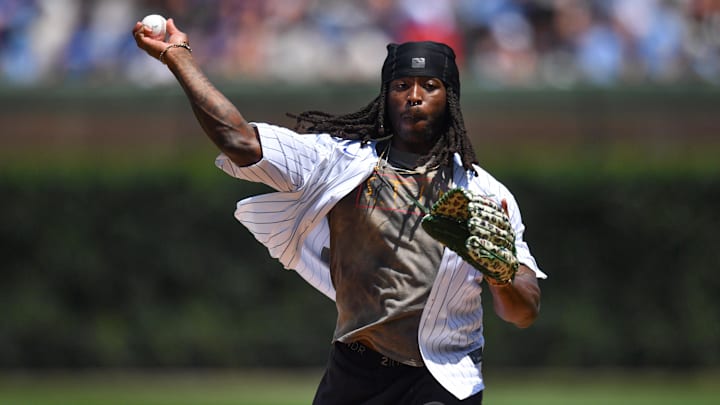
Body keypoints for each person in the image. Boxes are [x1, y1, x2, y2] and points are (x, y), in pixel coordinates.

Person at [133, 17, 546, 405]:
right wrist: (178, 55)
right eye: (402, 84)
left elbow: (523, 312)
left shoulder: (485, 195)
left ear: (449, 97)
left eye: (430, 85)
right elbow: (238, 139)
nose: (415, 96)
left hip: (442, 376)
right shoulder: (338, 162)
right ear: (387, 95)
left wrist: (501, 271)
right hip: (354, 369)